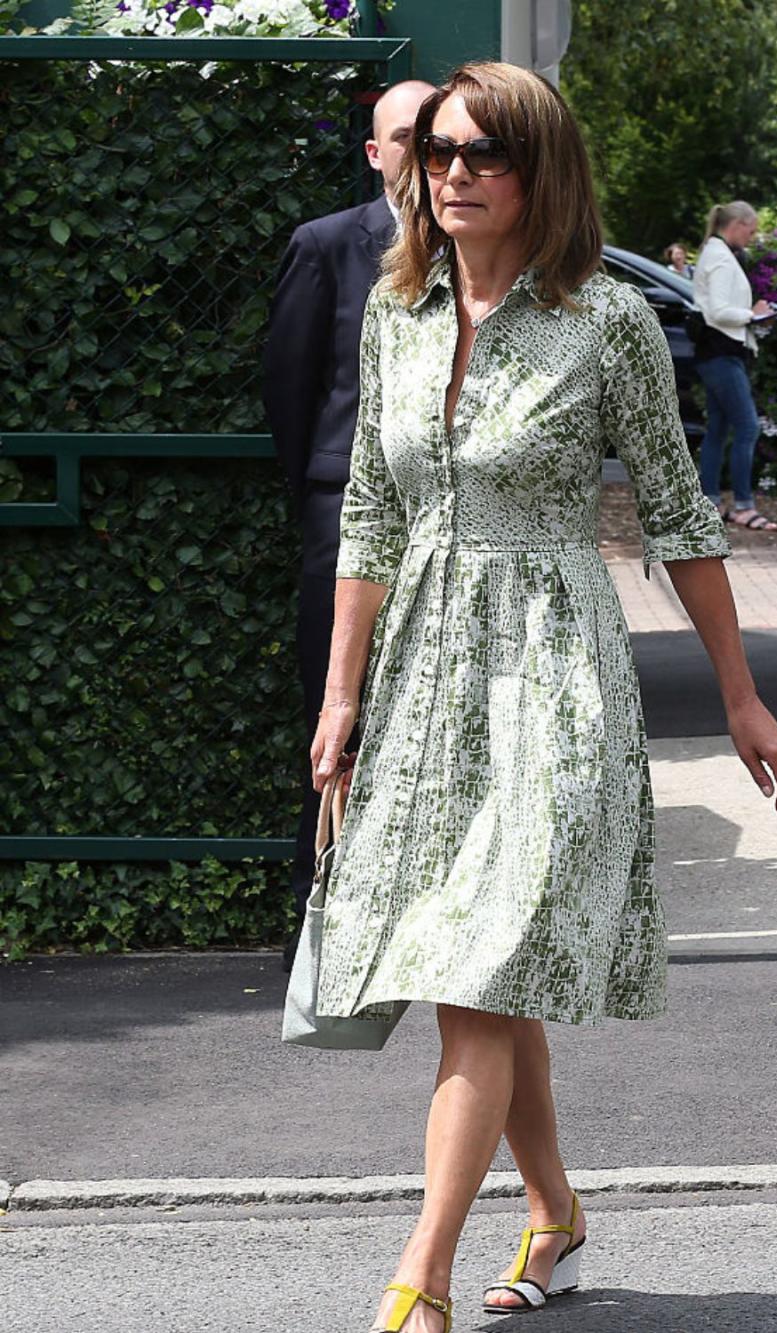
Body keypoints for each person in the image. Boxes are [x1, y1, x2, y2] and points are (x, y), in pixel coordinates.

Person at [308, 63, 777, 1333]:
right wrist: (340, 697)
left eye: (485, 153)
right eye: (438, 152)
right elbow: (370, 508)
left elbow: (683, 517)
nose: (454, 172)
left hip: (554, 673)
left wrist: (742, 699)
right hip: (425, 668)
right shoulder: (395, 307)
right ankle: (558, 1213)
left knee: (479, 964)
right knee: (487, 966)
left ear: (542, 173)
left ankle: (415, 1279)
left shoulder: (605, 322)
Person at [263, 79, 434, 963]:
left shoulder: (490, 252)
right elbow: (291, 392)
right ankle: (323, 924)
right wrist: (323, 492)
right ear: (375, 153)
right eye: (405, 136)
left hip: (453, 523)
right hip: (345, 520)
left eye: (436, 134)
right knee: (338, 718)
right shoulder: (329, 246)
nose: (423, 151)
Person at [692, 200, 777, 530]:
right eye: (751, 230)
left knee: (719, 428)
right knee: (746, 427)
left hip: (718, 353)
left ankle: (711, 501)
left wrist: (753, 317)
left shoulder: (716, 254)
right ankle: (743, 505)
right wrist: (753, 315)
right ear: (738, 224)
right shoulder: (721, 259)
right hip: (722, 354)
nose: (752, 237)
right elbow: (718, 312)